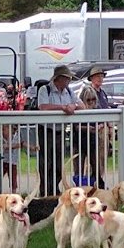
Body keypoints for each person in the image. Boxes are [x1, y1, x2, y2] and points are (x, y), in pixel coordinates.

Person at [37, 64, 84, 196]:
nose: (68, 81)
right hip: (46, 131)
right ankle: (45, 191)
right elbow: (43, 107)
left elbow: (82, 105)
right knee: (46, 162)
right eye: (67, 78)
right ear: (58, 78)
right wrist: (62, 107)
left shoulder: (69, 91)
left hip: (60, 131)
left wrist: (73, 106)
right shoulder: (45, 89)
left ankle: (55, 189)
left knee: (58, 163)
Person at [72, 86, 104, 188]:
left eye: (93, 99)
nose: (91, 102)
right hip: (79, 141)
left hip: (93, 141)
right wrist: (87, 128)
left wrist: (99, 126)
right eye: (88, 99)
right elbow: (76, 127)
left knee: (96, 167)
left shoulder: (97, 109)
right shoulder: (78, 110)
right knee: (79, 168)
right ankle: (79, 188)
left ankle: (97, 186)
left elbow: (102, 122)